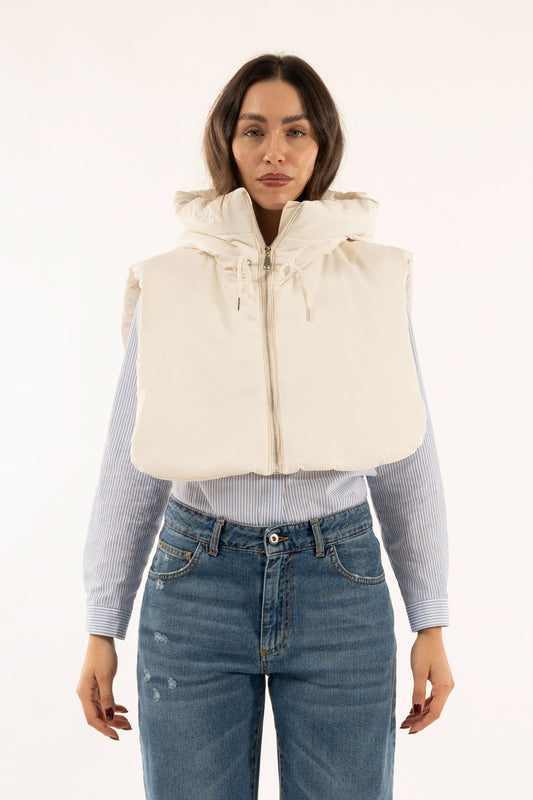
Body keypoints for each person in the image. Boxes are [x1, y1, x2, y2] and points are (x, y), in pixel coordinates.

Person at [76, 53, 454, 800]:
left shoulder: (373, 278)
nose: (274, 151)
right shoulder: (170, 282)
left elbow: (408, 455)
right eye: (254, 130)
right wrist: (101, 623)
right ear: (227, 141)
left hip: (340, 582)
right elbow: (130, 458)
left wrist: (431, 619)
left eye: (295, 131)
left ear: (322, 144)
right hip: (195, 584)